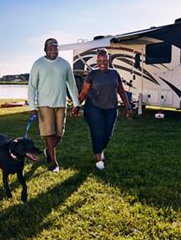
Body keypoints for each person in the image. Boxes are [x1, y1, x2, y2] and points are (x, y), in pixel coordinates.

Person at [27, 38, 80, 172]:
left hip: (61, 104)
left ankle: (48, 151)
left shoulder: (65, 64)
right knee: (49, 133)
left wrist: (76, 103)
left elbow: (72, 85)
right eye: (50, 48)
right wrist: (32, 107)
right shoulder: (38, 64)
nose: (53, 51)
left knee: (59, 134)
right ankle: (54, 163)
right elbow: (32, 87)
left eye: (55, 48)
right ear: (45, 49)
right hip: (44, 104)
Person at [75, 48, 132, 170]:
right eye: (99, 61)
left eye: (104, 61)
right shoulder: (92, 74)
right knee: (98, 133)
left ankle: (99, 149)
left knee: (107, 135)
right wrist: (76, 106)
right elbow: (84, 93)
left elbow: (121, 91)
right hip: (93, 107)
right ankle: (98, 159)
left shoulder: (115, 73)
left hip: (111, 109)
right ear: (96, 60)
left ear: (109, 60)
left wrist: (128, 107)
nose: (102, 64)